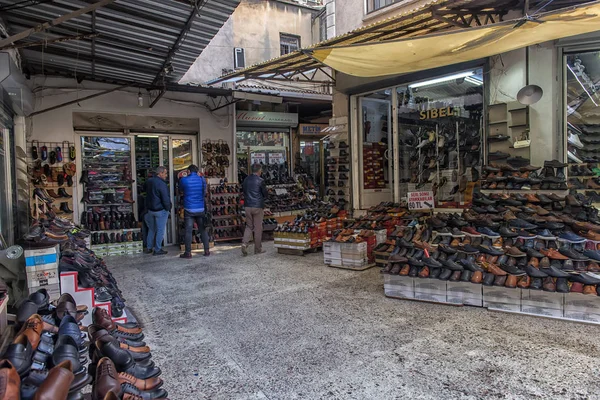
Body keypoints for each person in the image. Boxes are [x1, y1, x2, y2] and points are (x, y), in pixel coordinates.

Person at [179, 165, 210, 259]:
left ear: (188, 171)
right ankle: (207, 250)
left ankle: (188, 253)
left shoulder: (184, 180)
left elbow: (181, 190)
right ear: (197, 172)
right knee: (203, 230)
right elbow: (204, 193)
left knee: (188, 231)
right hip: (200, 208)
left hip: (189, 208)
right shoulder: (202, 179)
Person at [241, 163, 268, 256]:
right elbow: (265, 194)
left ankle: (244, 243)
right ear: (259, 171)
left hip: (247, 205)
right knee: (258, 228)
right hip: (257, 206)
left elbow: (244, 192)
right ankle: (257, 249)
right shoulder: (261, 181)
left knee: (249, 226)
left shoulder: (246, 180)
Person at [144, 166, 171, 256]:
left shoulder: (149, 181)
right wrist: (168, 208)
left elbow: (144, 191)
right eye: (165, 173)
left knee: (151, 229)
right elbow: (165, 198)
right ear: (160, 173)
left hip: (150, 210)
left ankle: (148, 248)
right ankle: (157, 249)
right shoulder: (162, 184)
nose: (166, 175)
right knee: (160, 230)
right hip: (160, 210)